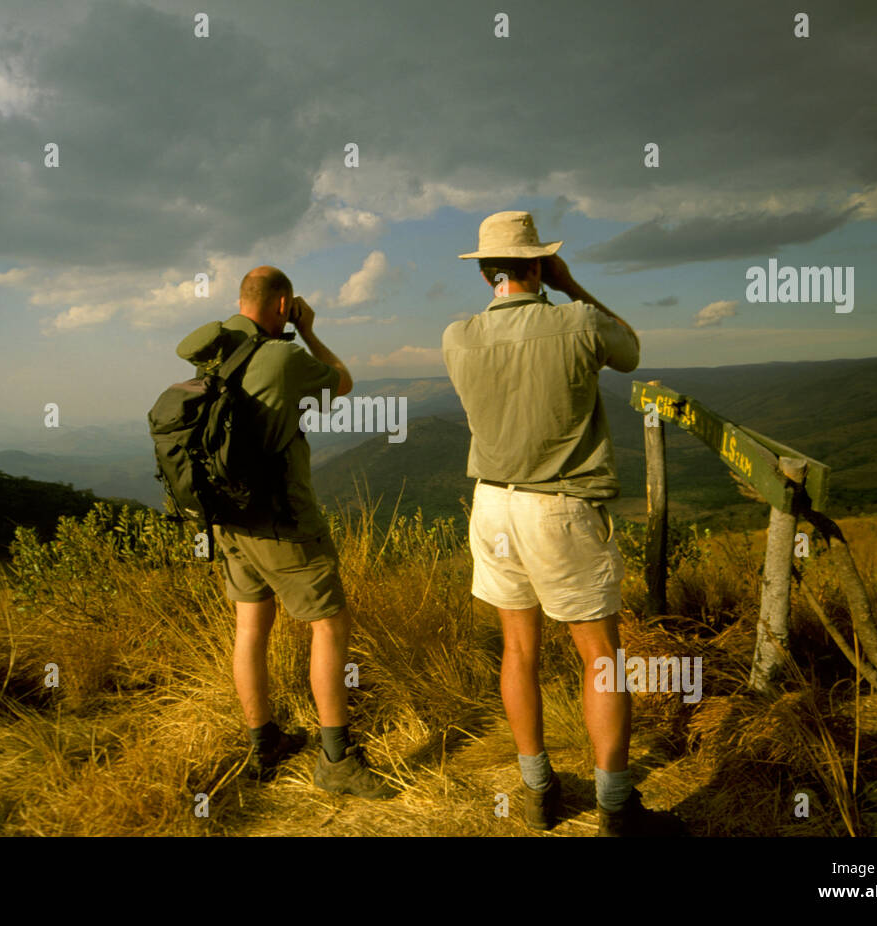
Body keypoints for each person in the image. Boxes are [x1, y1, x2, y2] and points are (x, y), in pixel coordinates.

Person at [442, 211, 683, 835]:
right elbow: (630, 350)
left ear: (488, 271)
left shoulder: (457, 337)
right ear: (539, 264)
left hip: (492, 502)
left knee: (518, 650)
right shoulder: (575, 320)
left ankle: (537, 792)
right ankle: (615, 807)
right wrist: (573, 286)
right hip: (562, 505)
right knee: (599, 656)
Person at [175, 266, 394, 799]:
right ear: (283, 305)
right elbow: (341, 382)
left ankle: (263, 742)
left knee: (250, 627)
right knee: (329, 625)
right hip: (280, 519)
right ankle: (336, 760)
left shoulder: (217, 350)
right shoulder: (285, 355)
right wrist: (311, 331)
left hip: (227, 516)